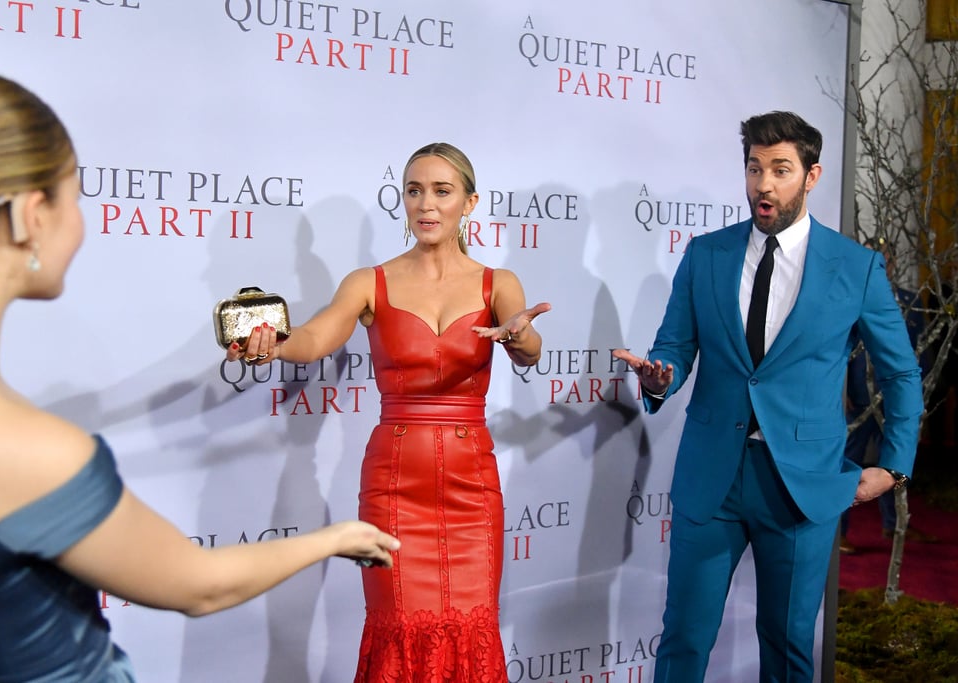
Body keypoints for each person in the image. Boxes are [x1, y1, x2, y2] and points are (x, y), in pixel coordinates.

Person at [0, 67, 400, 683]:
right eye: (75, 198)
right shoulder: (31, 454)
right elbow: (196, 587)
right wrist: (334, 538)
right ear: (30, 215)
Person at [613, 111, 924, 682]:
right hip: (714, 480)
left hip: (801, 485)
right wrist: (661, 378)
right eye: (755, 168)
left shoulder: (855, 268)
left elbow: (902, 375)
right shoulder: (706, 256)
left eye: (780, 169)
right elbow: (675, 347)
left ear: (811, 175)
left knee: (786, 651)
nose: (764, 183)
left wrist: (895, 466)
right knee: (682, 640)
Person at [230, 142, 551, 681]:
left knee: (473, 626)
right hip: (395, 485)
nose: (426, 204)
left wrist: (520, 339)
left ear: (470, 203)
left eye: (442, 191)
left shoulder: (499, 283)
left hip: (473, 491)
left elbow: (529, 347)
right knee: (398, 628)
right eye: (414, 191)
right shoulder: (368, 282)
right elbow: (314, 337)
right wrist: (276, 344)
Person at [839, 238, 933, 553]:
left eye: (885, 256)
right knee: (846, 464)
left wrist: (918, 393)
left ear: (889, 262)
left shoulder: (908, 301)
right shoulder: (848, 296)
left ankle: (893, 526)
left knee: (893, 465)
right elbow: (844, 354)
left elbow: (918, 352)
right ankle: (839, 533)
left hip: (891, 400)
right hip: (860, 399)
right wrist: (846, 393)